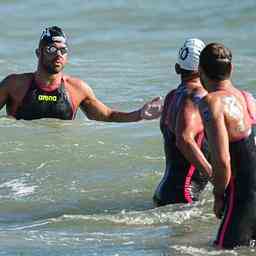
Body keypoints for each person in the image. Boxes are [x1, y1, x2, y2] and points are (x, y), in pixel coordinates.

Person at [0, 26, 162, 121]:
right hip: (22, 170)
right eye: (51, 49)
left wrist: (139, 114)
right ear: (38, 53)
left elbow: (107, 115)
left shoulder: (77, 89)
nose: (58, 54)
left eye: (63, 50)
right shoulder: (14, 85)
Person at [198, 43, 256, 249]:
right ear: (231, 69)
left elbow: (222, 160)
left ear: (200, 72)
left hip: (243, 198)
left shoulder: (210, 103)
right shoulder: (248, 98)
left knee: (223, 250)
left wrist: (218, 196)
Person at [153, 38, 212, 206]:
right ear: (203, 68)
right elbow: (184, 139)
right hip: (184, 197)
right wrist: (214, 177)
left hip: (164, 192)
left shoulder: (171, 97)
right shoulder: (197, 97)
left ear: (177, 68)